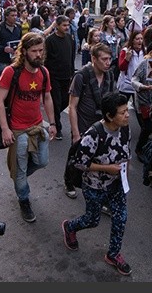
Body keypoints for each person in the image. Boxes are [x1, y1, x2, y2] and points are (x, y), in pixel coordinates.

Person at [62, 92, 132, 276]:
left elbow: (127, 152)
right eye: (122, 112)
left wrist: (125, 174)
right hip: (95, 187)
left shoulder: (125, 128)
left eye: (127, 110)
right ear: (109, 116)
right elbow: (80, 163)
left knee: (121, 219)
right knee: (92, 220)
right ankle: (70, 227)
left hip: (116, 186)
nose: (127, 115)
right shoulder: (93, 135)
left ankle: (113, 254)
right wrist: (108, 168)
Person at [0, 32, 57, 223]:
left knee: (42, 161)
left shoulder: (44, 72)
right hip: (18, 129)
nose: (38, 54)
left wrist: (52, 123)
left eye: (41, 50)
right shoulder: (11, 72)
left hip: (37, 126)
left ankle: (18, 175)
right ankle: (23, 198)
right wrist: (5, 129)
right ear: (24, 52)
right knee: (21, 169)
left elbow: (47, 97)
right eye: (34, 51)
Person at [65, 42, 116, 198]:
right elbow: (72, 106)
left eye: (109, 59)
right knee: (76, 157)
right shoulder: (81, 76)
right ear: (94, 59)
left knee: (99, 158)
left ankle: (95, 190)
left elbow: (112, 101)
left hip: (100, 125)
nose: (108, 63)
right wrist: (75, 133)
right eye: (104, 59)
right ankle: (69, 181)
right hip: (83, 124)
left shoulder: (109, 75)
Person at [45, 15, 77, 140]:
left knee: (65, 100)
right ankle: (57, 127)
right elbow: (46, 59)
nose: (67, 27)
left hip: (67, 76)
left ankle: (54, 114)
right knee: (57, 102)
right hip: (54, 76)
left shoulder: (69, 38)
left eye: (68, 25)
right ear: (57, 26)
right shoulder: (50, 40)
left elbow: (72, 56)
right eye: (64, 25)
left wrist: (72, 72)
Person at [131, 40, 152, 155]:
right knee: (148, 127)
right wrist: (144, 87)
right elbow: (134, 79)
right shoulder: (144, 64)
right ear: (151, 52)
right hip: (143, 101)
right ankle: (139, 149)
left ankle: (151, 147)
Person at [0, 6, 22, 81]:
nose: (15, 17)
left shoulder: (18, 27)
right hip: (3, 60)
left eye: (16, 15)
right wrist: (3, 48)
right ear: (6, 16)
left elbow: (21, 40)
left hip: (15, 59)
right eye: (12, 15)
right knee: (4, 81)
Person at [116, 30, 145, 104]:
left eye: (141, 39)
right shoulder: (125, 51)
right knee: (122, 105)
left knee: (138, 107)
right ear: (132, 40)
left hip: (138, 85)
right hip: (126, 85)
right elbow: (121, 68)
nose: (140, 41)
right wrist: (127, 59)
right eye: (137, 39)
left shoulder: (144, 51)